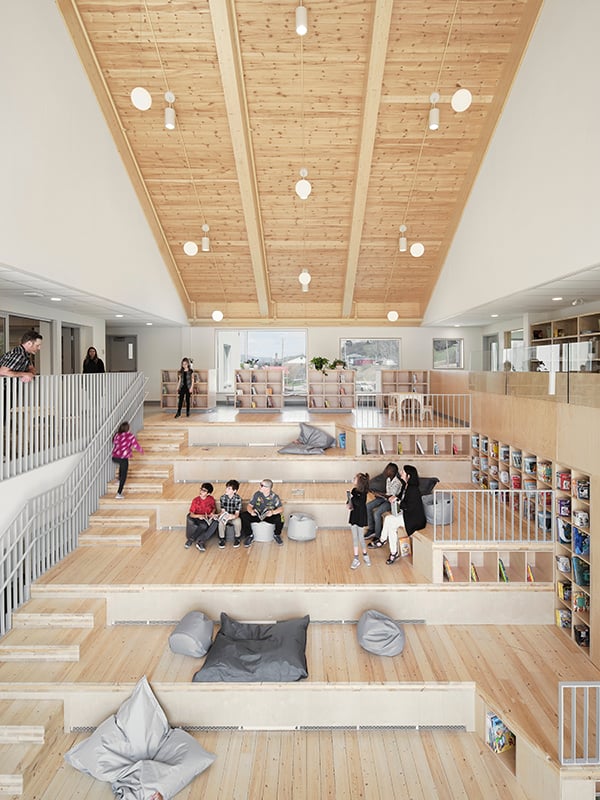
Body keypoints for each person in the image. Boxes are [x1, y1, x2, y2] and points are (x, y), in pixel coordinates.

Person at [375, 464, 426, 564]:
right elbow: (400, 497)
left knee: (390, 522)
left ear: (409, 476)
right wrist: (394, 498)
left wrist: (396, 500)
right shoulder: (405, 485)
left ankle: (387, 545)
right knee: (389, 520)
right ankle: (387, 545)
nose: (401, 473)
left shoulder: (413, 490)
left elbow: (408, 506)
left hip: (413, 519)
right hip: (406, 514)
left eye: (403, 472)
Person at [240, 479, 284, 547]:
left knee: (281, 518)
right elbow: (249, 506)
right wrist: (251, 511)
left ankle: (277, 534)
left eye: (262, 485)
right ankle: (249, 535)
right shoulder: (257, 494)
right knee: (243, 516)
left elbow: (281, 508)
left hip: (268, 516)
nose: (259, 486)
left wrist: (272, 512)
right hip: (257, 515)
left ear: (267, 488)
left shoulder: (274, 497)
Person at [365, 462, 402, 541]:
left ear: (392, 472)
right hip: (384, 498)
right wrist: (378, 494)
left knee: (377, 513)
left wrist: (379, 494)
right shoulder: (388, 479)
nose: (384, 471)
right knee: (367, 506)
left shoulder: (397, 483)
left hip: (391, 502)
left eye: (387, 469)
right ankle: (372, 529)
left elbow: (391, 497)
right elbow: (387, 493)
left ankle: (378, 535)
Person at [111, 421, 144, 499]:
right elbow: (136, 445)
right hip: (123, 457)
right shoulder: (130, 436)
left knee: (121, 466)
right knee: (124, 474)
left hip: (115, 457)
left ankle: (119, 479)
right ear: (128, 428)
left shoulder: (117, 435)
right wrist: (141, 451)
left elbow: (114, 442)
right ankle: (119, 493)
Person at [347, 472, 371, 570]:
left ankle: (365, 555)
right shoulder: (354, 491)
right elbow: (351, 501)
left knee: (361, 538)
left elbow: (359, 503)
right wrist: (348, 502)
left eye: (355, 478)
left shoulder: (363, 494)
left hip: (360, 517)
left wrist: (352, 500)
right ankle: (356, 558)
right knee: (355, 538)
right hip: (354, 516)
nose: (353, 479)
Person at [185, 482, 218, 552]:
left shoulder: (211, 499)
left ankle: (201, 541)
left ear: (208, 493)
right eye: (201, 489)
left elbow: (214, 508)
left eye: (204, 491)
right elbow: (191, 514)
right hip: (198, 518)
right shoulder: (195, 500)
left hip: (208, 517)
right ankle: (191, 539)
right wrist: (199, 516)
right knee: (204, 525)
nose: (201, 491)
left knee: (216, 523)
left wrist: (212, 513)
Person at [217, 479, 243, 548]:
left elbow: (237, 514)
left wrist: (232, 516)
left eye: (229, 489)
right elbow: (223, 510)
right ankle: (222, 539)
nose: (226, 490)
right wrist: (221, 516)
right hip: (226, 515)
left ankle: (237, 537)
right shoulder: (222, 498)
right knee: (221, 522)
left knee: (238, 522)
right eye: (226, 488)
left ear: (234, 491)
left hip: (233, 516)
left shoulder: (238, 499)